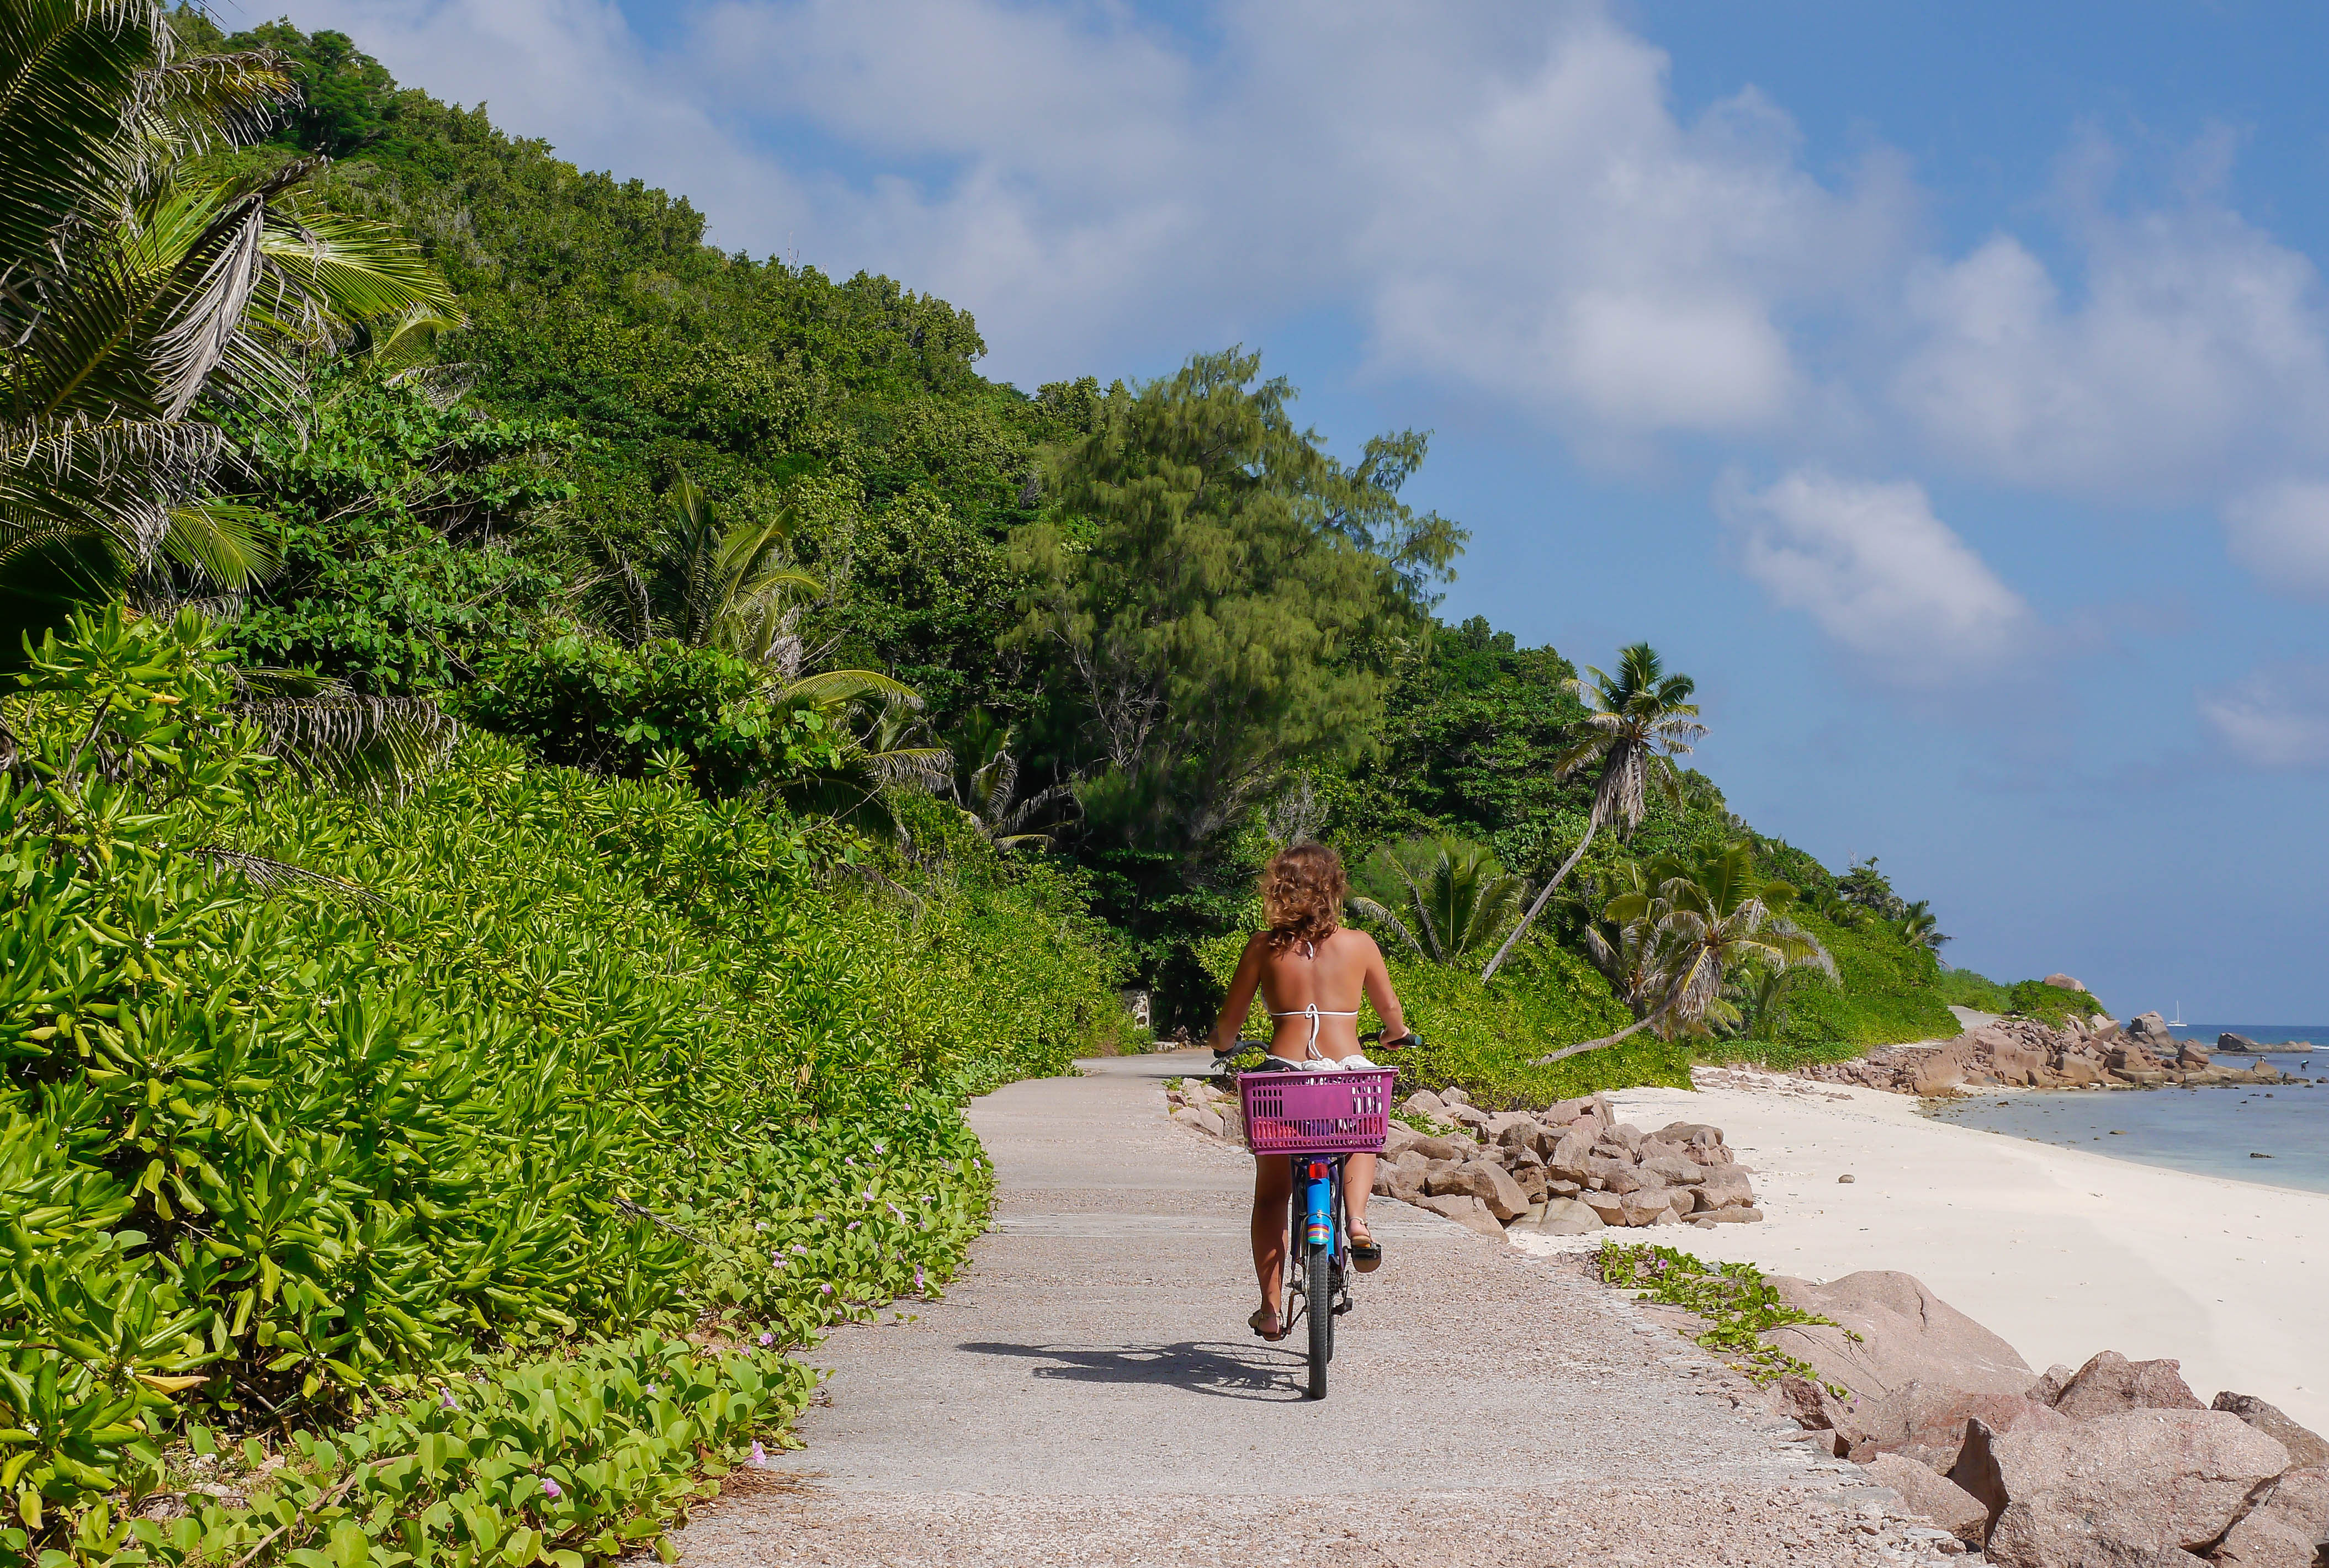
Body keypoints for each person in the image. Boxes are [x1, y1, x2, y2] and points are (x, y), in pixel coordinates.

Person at [1207, 842, 1411, 1343]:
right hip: (1347, 1077)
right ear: (1333, 887)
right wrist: (1393, 1035)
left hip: (1284, 1079)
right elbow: (1392, 1019)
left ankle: (1271, 1307)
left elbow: (1225, 1031)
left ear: (1278, 888)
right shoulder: (1360, 944)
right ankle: (1357, 1223)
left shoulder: (1262, 947)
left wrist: (1222, 1043)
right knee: (1365, 1135)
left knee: (1272, 1194)